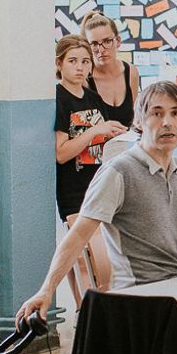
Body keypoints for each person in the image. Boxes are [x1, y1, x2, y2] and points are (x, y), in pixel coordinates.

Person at [18, 81, 177, 350]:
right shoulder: (119, 172)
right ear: (139, 121)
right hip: (139, 301)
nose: (167, 122)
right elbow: (78, 236)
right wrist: (46, 290)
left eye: (176, 113)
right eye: (157, 113)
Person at [54, 35, 126, 220]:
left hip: (100, 187)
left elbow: (105, 138)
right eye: (72, 61)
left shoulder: (93, 97)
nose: (80, 67)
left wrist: (120, 134)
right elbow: (61, 154)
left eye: (85, 62)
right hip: (74, 194)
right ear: (59, 63)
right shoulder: (58, 99)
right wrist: (94, 131)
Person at [81, 12, 140, 130]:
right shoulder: (83, 79)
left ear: (118, 41)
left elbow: (132, 119)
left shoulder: (131, 72)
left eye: (107, 41)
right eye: (94, 44)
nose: (101, 50)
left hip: (126, 140)